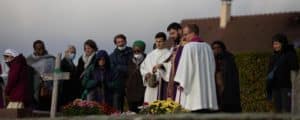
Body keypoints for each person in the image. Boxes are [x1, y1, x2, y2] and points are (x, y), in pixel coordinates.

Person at [174, 24, 218, 112]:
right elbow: (213, 67)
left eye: (185, 34)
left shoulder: (189, 47)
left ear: (193, 33)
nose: (184, 38)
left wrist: (180, 81)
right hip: (207, 93)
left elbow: (185, 69)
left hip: (193, 94)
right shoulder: (208, 47)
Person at [267, 33, 299, 113]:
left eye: (277, 43)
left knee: (286, 110)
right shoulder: (273, 56)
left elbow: (295, 68)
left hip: (286, 87)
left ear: (283, 43)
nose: (275, 46)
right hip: (275, 87)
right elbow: (270, 71)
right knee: (277, 110)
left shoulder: (289, 54)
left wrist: (292, 54)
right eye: (274, 44)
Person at [140, 32, 171, 103]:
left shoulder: (169, 54)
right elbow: (143, 67)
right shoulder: (150, 54)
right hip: (151, 83)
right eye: (156, 41)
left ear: (165, 42)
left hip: (162, 82)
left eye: (160, 41)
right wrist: (146, 74)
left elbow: (170, 68)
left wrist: (162, 66)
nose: (158, 43)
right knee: (149, 102)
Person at [211, 41, 242, 112]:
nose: (216, 50)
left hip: (228, 86)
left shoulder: (229, 58)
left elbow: (231, 74)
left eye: (218, 47)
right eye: (214, 48)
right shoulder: (211, 59)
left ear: (222, 48)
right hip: (216, 87)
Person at [27, 40, 55, 110]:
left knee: (46, 106)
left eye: (42, 48)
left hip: (47, 87)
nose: (40, 50)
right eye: (38, 48)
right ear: (34, 49)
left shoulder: (50, 58)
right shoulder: (29, 60)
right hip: (33, 87)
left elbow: (54, 72)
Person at [110, 34, 133, 112]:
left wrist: (119, 67)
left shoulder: (132, 52)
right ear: (116, 44)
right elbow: (113, 69)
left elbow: (133, 67)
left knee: (132, 105)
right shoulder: (112, 56)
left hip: (131, 81)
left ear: (125, 41)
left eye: (122, 41)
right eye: (118, 42)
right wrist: (126, 68)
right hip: (118, 83)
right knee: (117, 107)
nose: (121, 43)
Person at [125, 40, 146, 113]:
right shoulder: (129, 60)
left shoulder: (147, 60)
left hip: (142, 92)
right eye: (134, 50)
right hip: (131, 92)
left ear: (142, 50)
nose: (136, 52)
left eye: (138, 50)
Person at [165, 22, 184, 100]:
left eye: (173, 33)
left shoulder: (186, 45)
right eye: (170, 34)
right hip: (173, 77)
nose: (171, 36)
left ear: (179, 31)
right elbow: (168, 61)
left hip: (181, 77)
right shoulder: (174, 47)